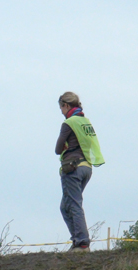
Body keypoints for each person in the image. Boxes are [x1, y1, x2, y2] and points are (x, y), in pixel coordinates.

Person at [55, 92, 105, 252]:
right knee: (65, 206)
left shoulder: (69, 123)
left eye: (61, 107)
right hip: (87, 167)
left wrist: (65, 147)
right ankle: (77, 240)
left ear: (66, 105)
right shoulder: (86, 122)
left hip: (73, 168)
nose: (61, 111)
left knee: (74, 204)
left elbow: (57, 149)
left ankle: (82, 243)